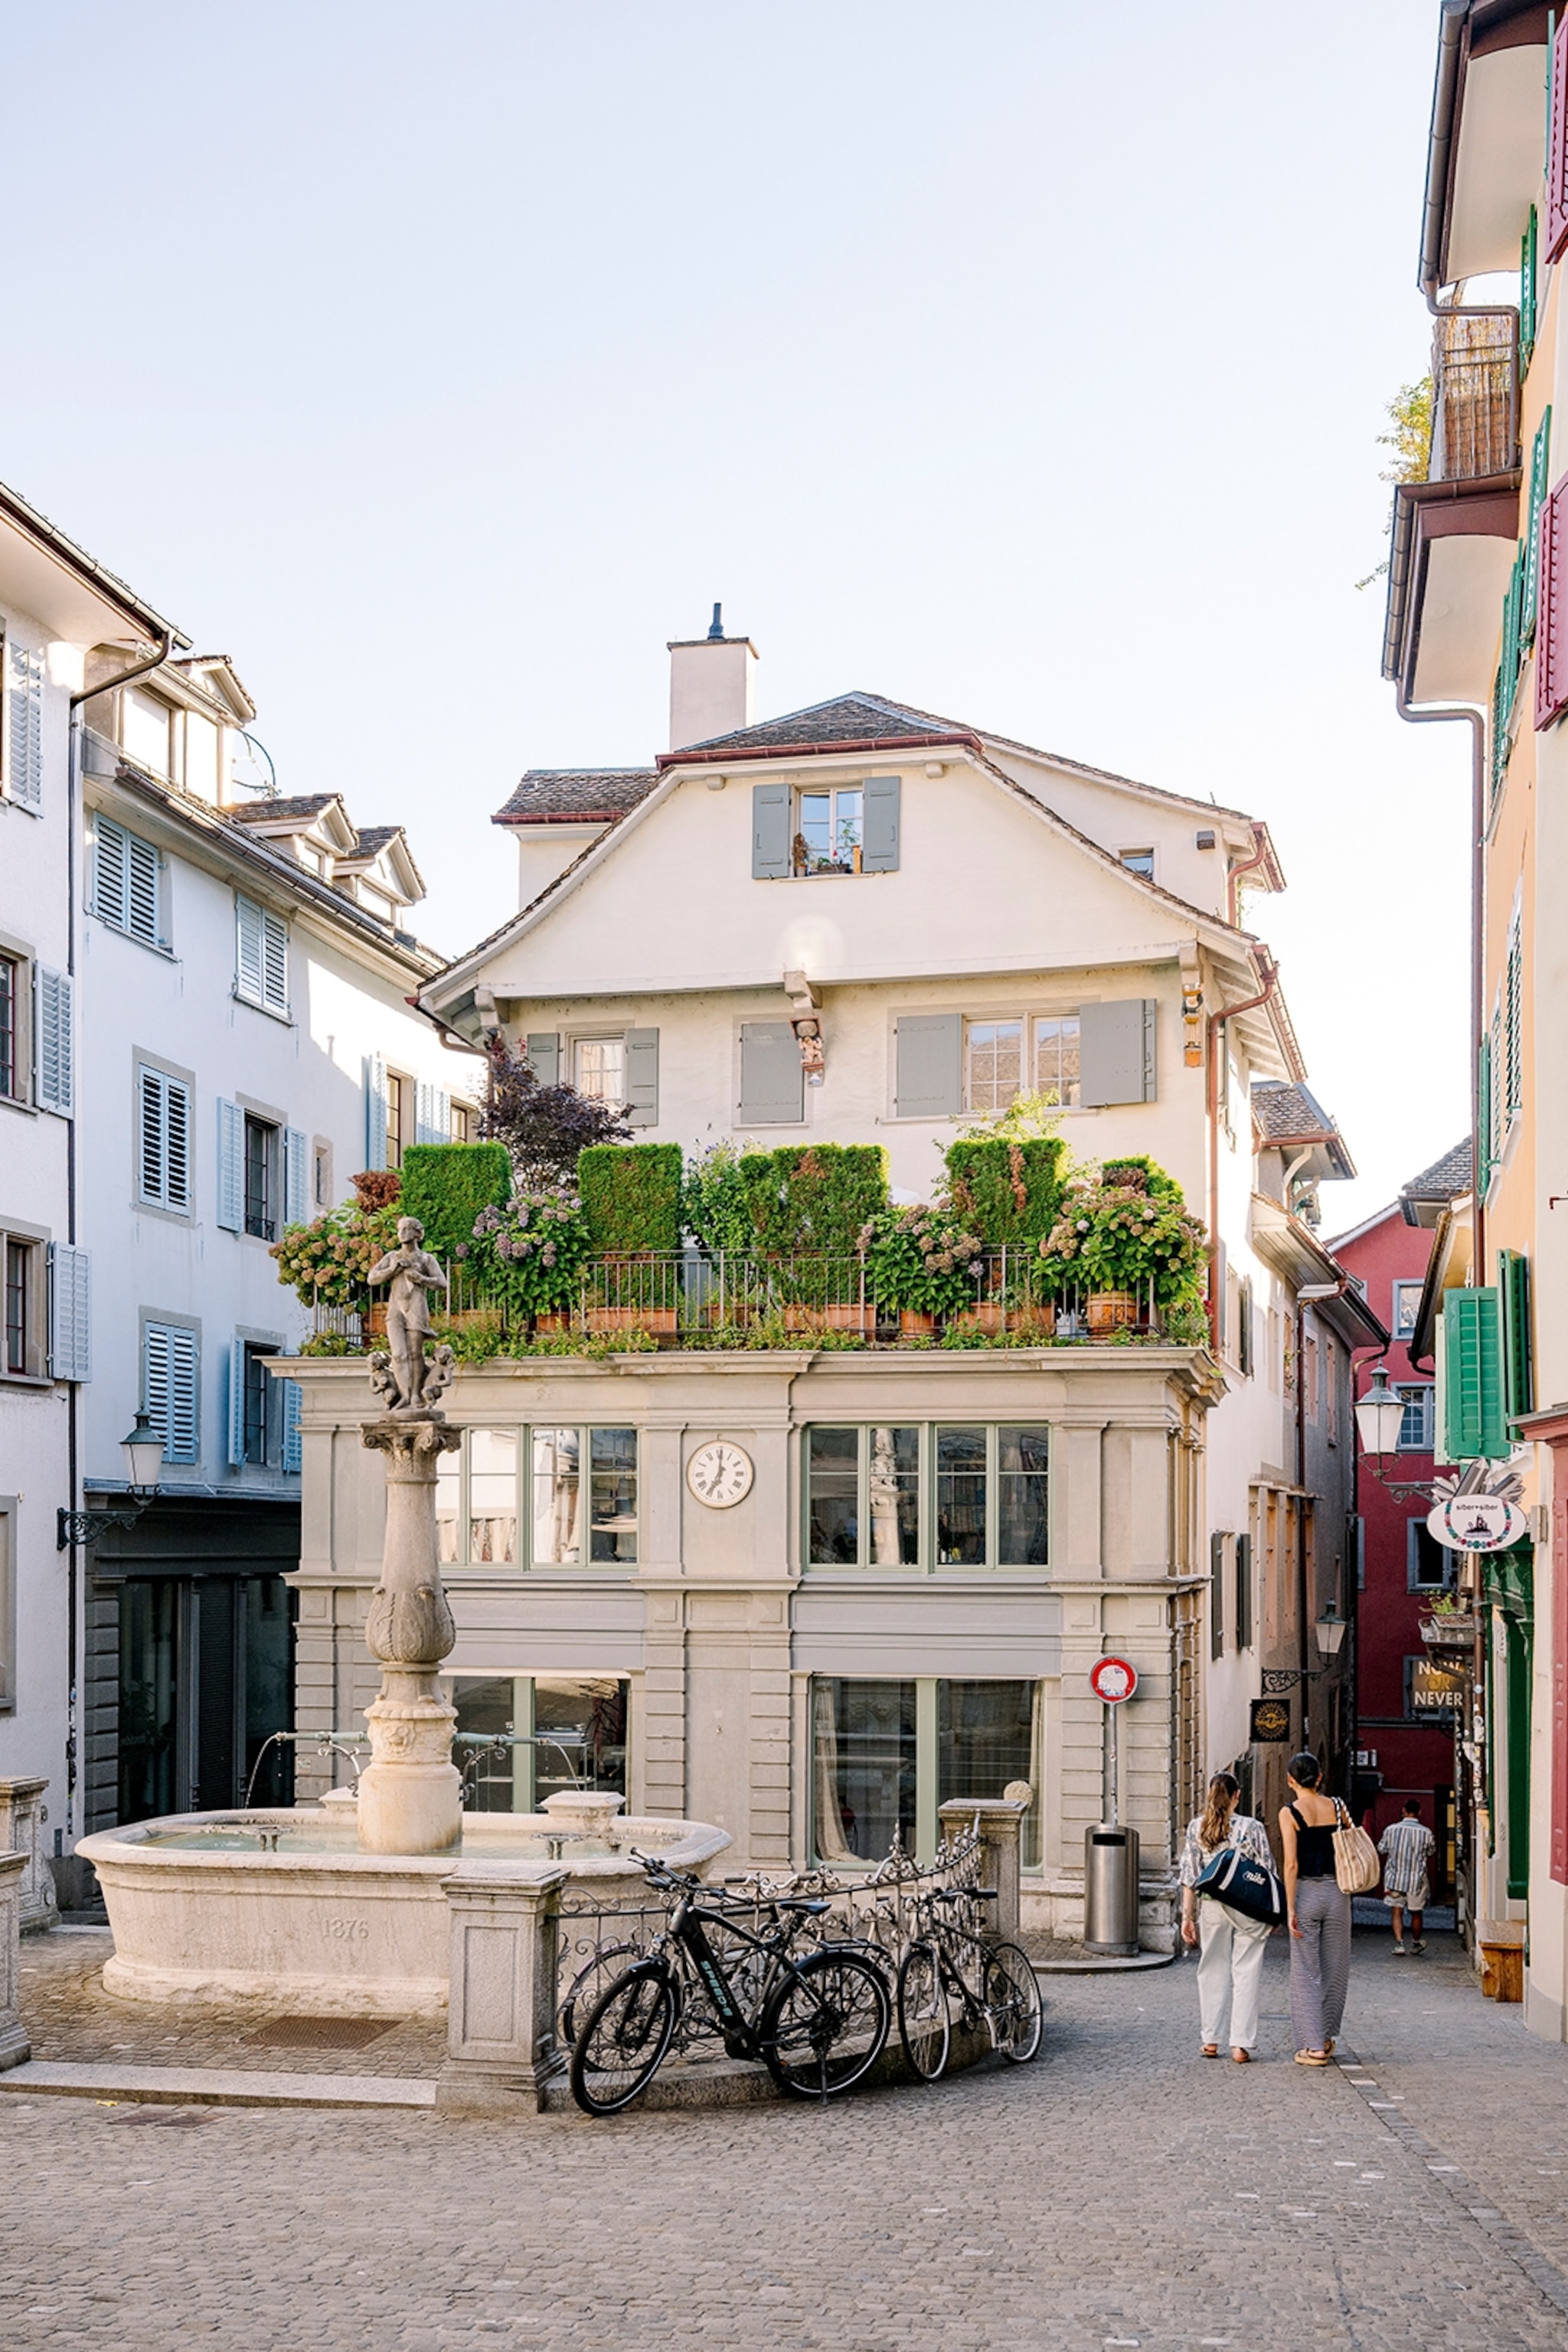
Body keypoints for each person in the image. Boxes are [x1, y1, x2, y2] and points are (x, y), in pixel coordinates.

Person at [1179, 1771, 1276, 2064]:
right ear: (1237, 1795)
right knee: (1246, 1971)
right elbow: (1268, 1869)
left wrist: (1188, 1916)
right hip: (1248, 1907)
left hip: (1212, 1907)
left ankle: (1210, 2040)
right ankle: (1240, 2045)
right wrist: (1274, 1913)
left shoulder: (1198, 1827)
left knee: (1212, 1969)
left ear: (1210, 1795)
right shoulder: (1253, 1827)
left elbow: (1190, 1875)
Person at [1279, 1751, 1351, 2068]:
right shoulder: (1336, 1807)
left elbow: (1291, 1864)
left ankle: (1313, 2047)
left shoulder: (1289, 1813)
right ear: (1320, 1777)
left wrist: (1290, 1907)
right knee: (1335, 1968)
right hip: (1338, 1893)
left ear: (1290, 1780)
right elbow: (1351, 1839)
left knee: (1306, 1972)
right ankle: (1326, 2038)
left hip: (1307, 1893)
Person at [1378, 1798, 1436, 1955]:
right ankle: (1416, 1943)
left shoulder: (1391, 1830)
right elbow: (1431, 1852)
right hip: (1416, 1880)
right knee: (1416, 1912)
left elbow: (1382, 1849)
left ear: (1403, 1810)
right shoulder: (1426, 1832)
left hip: (1394, 1878)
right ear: (1420, 1812)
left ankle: (1400, 1944)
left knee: (1396, 1911)